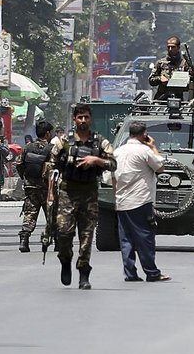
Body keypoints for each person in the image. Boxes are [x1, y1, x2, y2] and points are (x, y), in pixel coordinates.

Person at [46, 103, 115, 289]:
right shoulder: (63, 141)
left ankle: (84, 273)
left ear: (90, 119)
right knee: (63, 232)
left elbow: (113, 163)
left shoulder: (100, 142)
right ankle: (65, 259)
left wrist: (96, 160)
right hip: (67, 192)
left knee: (86, 236)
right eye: (80, 117)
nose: (83, 120)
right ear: (74, 119)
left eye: (86, 117)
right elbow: (51, 164)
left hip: (89, 193)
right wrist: (51, 187)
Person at [113, 122, 170, 282]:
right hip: (140, 201)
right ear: (144, 134)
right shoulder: (144, 151)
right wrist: (153, 147)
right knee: (145, 237)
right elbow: (160, 167)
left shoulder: (117, 152)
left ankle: (130, 274)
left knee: (126, 239)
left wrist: (117, 197)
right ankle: (152, 272)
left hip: (122, 201)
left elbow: (113, 178)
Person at [16, 120, 55, 253]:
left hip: (30, 187)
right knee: (52, 215)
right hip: (47, 189)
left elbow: (19, 164)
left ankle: (24, 239)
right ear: (48, 133)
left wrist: (25, 178)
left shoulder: (28, 147)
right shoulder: (52, 149)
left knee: (30, 213)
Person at [148, 36, 191, 100]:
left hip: (178, 98)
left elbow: (191, 83)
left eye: (173, 47)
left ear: (178, 48)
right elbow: (151, 80)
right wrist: (160, 78)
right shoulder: (161, 63)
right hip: (161, 98)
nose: (170, 49)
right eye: (168, 47)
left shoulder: (184, 64)